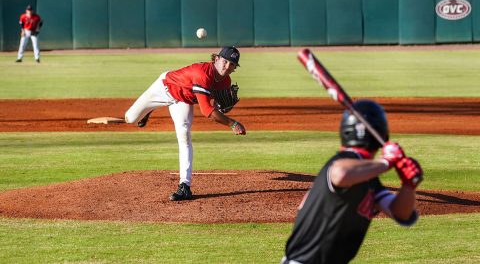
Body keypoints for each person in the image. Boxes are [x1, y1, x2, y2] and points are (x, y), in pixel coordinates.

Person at [281, 99, 423, 264]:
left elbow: (401, 213)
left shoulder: (368, 179)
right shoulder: (344, 161)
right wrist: (387, 162)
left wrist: (408, 185)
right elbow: (340, 173)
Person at [125, 46, 246, 201]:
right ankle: (149, 109)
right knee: (130, 118)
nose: (227, 66)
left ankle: (185, 186)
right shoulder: (202, 73)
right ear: (216, 59)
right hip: (164, 87)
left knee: (184, 135)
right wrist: (232, 123)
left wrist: (221, 108)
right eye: (225, 61)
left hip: (182, 101)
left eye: (232, 64)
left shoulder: (225, 82)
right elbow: (206, 110)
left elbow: (213, 104)